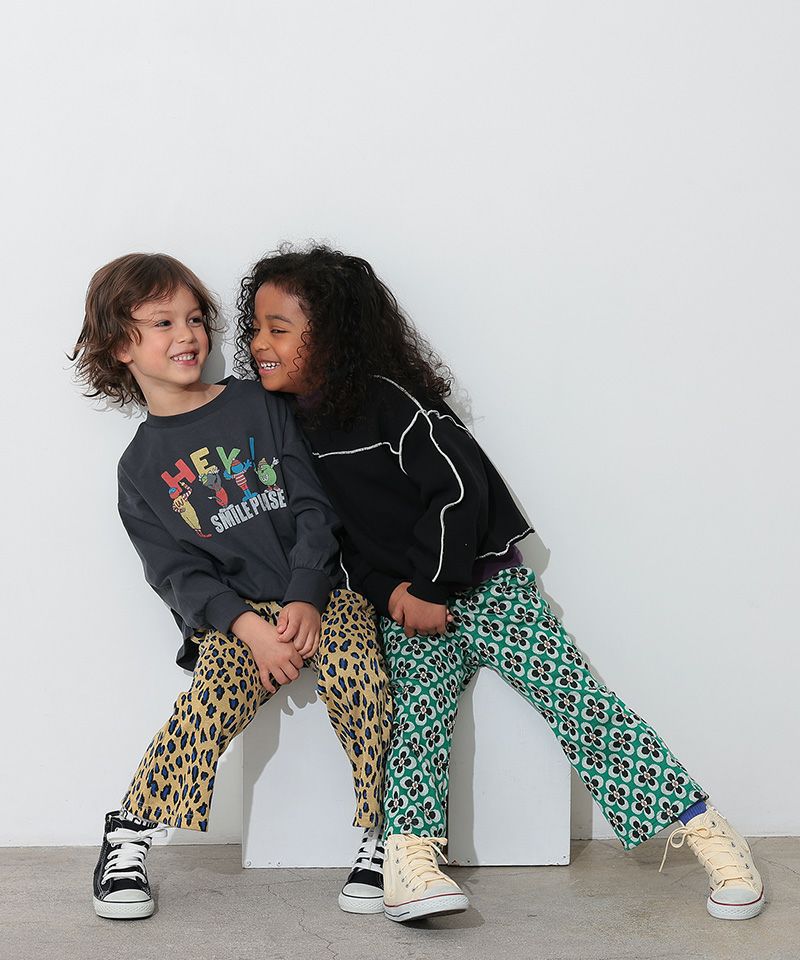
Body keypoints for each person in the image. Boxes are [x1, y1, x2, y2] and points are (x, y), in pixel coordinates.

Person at [233, 244, 764, 923]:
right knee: (415, 723)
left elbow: (461, 491)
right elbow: (340, 539)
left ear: (333, 336)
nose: (259, 343)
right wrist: (391, 594)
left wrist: (431, 587)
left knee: (576, 699)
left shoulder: (393, 404)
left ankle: (708, 833)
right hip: (405, 607)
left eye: (279, 328)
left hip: (485, 586)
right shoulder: (289, 430)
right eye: (256, 327)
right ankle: (411, 862)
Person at [71, 253, 392, 920]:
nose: (187, 334)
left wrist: (306, 593)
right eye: (163, 323)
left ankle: (384, 834)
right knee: (210, 696)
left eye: (195, 319)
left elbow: (313, 505)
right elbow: (176, 575)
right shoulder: (139, 469)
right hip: (236, 618)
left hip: (320, 595)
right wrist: (248, 628)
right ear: (120, 345)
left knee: (361, 676)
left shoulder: (257, 404)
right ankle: (129, 831)